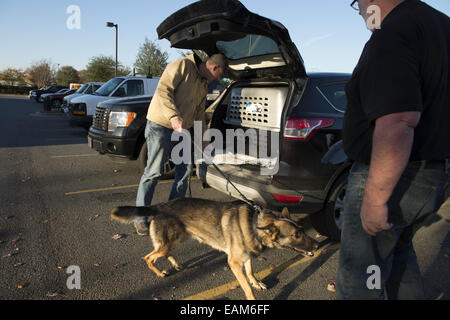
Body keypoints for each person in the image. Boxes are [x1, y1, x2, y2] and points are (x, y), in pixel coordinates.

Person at [337, 0, 450, 299]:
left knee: (362, 275)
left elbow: (398, 121)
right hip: (433, 174)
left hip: (396, 178)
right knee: (398, 257)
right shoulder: (439, 26)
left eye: (357, 3)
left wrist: (375, 200)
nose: (359, 10)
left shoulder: (392, 32)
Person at [134, 53, 228, 235]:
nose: (217, 81)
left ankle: (171, 215)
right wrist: (174, 117)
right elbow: (163, 90)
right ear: (214, 68)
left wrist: (205, 142)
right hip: (160, 124)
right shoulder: (183, 65)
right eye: (219, 77)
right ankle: (140, 217)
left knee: (184, 172)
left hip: (183, 129)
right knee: (154, 172)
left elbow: (200, 115)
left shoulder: (202, 85)